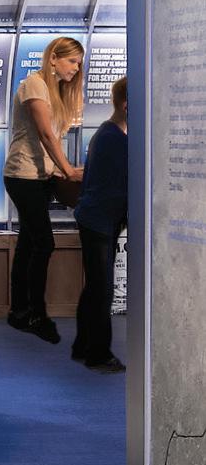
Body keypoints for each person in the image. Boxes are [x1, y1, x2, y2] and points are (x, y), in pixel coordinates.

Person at [3, 36, 84, 343]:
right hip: (23, 176)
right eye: (71, 61)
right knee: (44, 243)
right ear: (53, 58)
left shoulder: (57, 92)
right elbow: (46, 136)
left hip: (43, 177)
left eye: (79, 63)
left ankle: (19, 312)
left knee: (28, 243)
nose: (76, 68)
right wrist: (68, 170)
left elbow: (55, 139)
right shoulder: (34, 85)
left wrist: (62, 170)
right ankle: (36, 315)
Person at [72, 75, 128, 373]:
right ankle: (98, 353)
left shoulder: (107, 134)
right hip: (99, 221)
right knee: (102, 288)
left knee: (96, 285)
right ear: (127, 105)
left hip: (97, 219)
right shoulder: (114, 139)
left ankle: (83, 345)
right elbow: (120, 187)